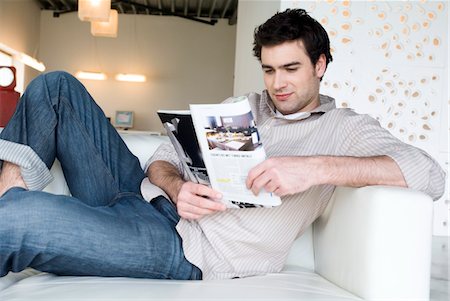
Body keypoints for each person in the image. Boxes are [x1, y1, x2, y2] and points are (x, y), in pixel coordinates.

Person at [0, 9, 444, 281]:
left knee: (19, 217)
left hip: (181, 248)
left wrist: (313, 169)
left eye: (291, 68)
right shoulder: (242, 105)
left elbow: (430, 173)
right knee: (55, 86)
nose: (278, 83)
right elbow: (161, 158)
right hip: (142, 198)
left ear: (321, 64)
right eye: (269, 70)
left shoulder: (345, 128)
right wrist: (177, 187)